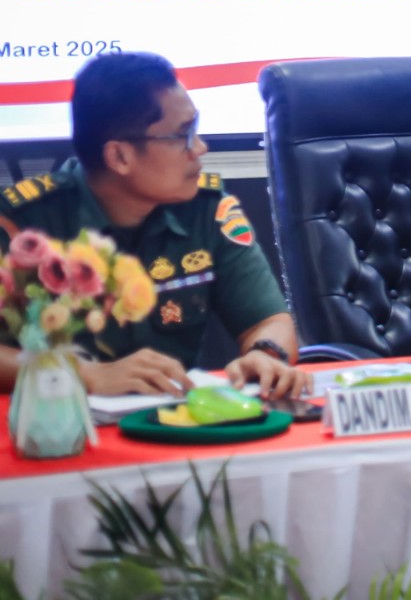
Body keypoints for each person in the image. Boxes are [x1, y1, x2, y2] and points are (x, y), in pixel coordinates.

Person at [0, 53, 310, 399]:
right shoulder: (21, 226)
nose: (200, 148)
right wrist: (85, 375)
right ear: (119, 157)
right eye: (182, 135)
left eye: (195, 128)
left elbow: (268, 321)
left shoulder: (207, 211)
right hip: (52, 428)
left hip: (173, 425)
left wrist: (264, 355)